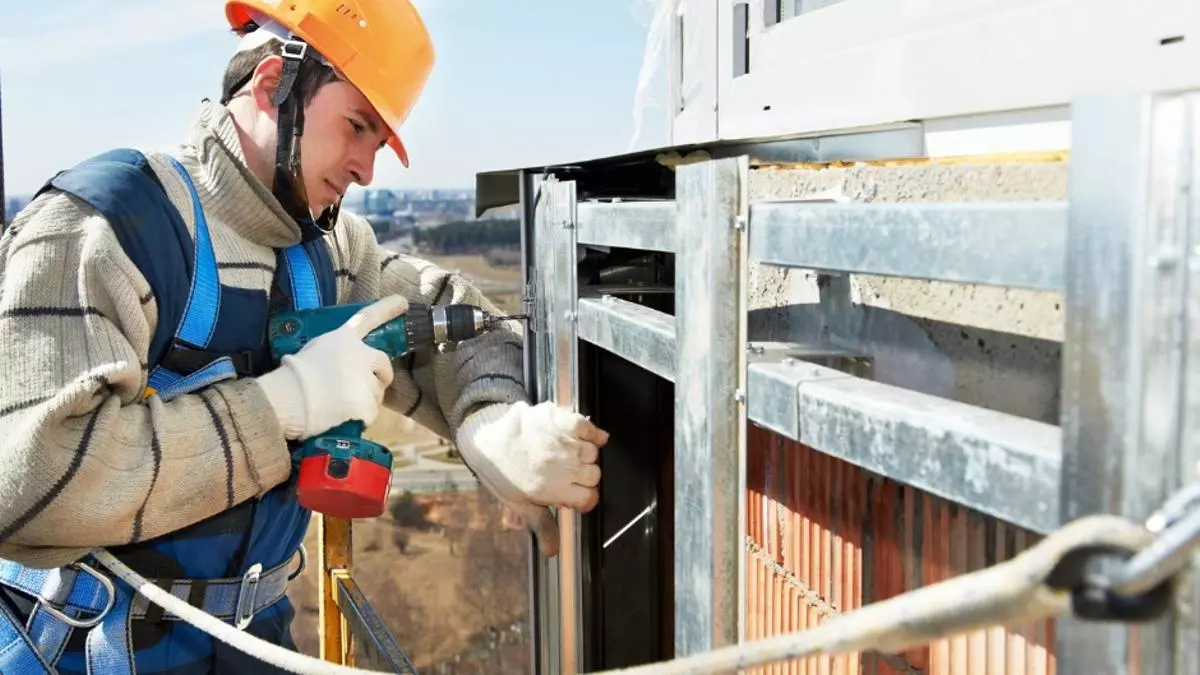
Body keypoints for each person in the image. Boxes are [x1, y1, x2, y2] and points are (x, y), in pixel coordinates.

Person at [0, 1, 608, 673]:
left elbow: (454, 320)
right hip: (78, 645)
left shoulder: (328, 250)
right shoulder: (106, 227)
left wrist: (488, 421)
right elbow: (27, 483)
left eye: (378, 143)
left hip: (251, 641)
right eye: (356, 127)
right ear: (271, 86)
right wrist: (282, 408)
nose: (367, 169)